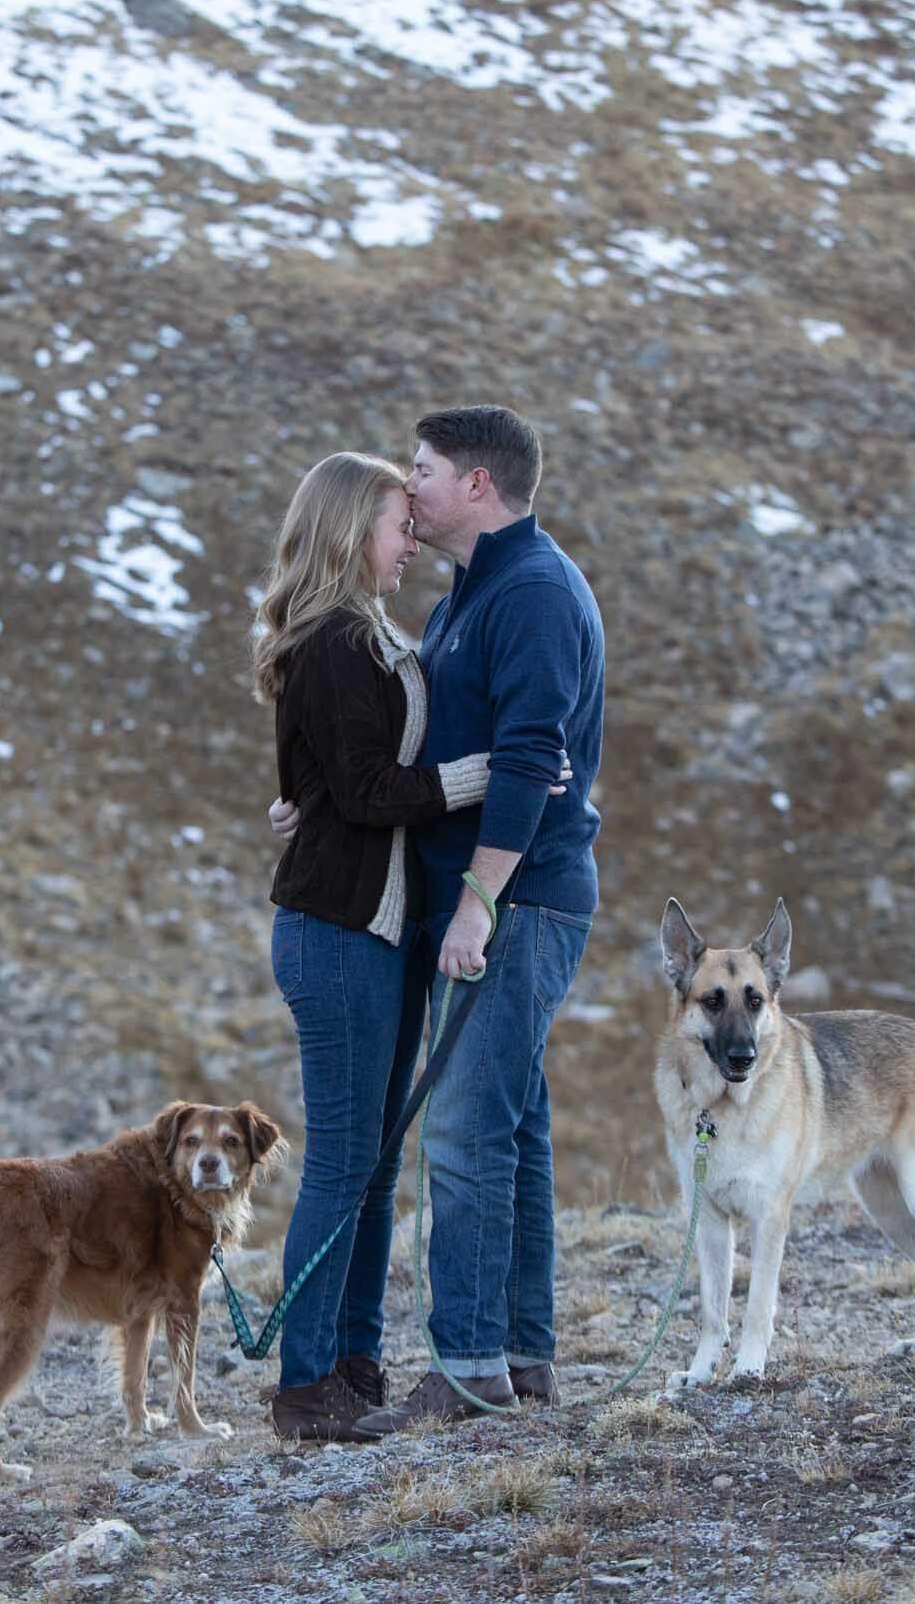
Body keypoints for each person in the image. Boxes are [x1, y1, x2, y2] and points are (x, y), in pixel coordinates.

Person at [251, 450, 569, 1443]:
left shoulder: (365, 635)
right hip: (336, 931)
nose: (410, 540)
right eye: (397, 523)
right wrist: (489, 775)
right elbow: (362, 789)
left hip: (368, 929)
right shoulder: (338, 640)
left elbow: (324, 780)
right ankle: (306, 1387)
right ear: (353, 532)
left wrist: (304, 795)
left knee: (372, 1161)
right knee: (347, 1159)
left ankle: (351, 1367)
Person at [348, 404, 606, 1435]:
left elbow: (534, 761)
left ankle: (462, 1371)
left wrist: (477, 901)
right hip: (505, 897)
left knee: (460, 1132)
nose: (408, 487)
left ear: (477, 486)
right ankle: (520, 1357)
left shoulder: (534, 592)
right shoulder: (477, 589)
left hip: (520, 897)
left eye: (421, 470)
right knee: (513, 1130)